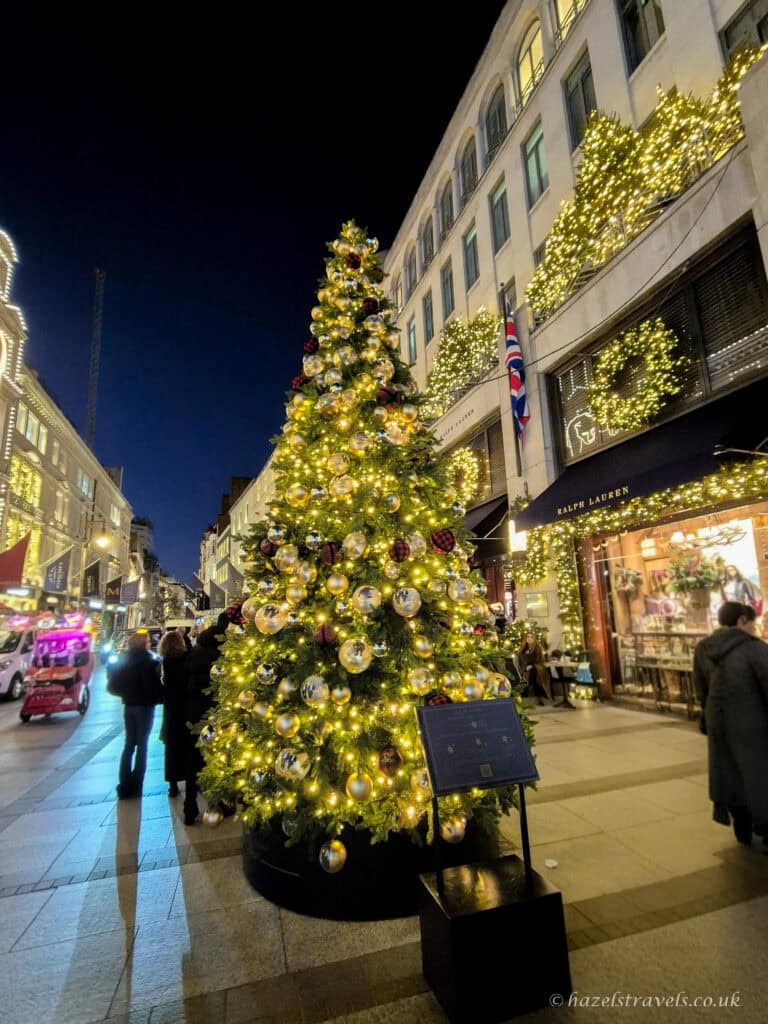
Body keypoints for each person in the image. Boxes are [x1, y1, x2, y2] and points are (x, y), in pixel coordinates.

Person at [693, 601, 768, 847]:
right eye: (752, 624)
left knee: (729, 771)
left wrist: (709, 714)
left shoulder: (704, 648)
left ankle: (742, 824)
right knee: (758, 773)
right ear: (741, 621)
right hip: (752, 723)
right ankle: (764, 826)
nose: (754, 629)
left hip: (718, 721)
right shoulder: (754, 649)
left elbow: (700, 688)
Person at [181, 611, 230, 825]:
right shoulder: (219, 657)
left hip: (193, 711)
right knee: (215, 757)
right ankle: (217, 802)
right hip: (213, 711)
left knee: (193, 760)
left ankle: (189, 806)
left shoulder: (194, 653)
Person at [108, 630, 164, 799]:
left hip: (129, 705)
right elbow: (155, 684)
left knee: (129, 745)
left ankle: (124, 785)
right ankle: (137, 784)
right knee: (142, 745)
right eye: (147, 640)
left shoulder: (124, 658)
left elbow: (114, 681)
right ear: (144, 642)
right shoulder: (150, 660)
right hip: (145, 707)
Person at [159, 629, 188, 798]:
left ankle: (173, 784)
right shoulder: (186, 660)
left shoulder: (165, 663)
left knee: (171, 749)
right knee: (187, 745)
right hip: (185, 707)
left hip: (170, 710)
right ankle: (189, 776)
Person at [518, 632, 551, 705]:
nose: (529, 638)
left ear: (534, 639)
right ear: (526, 639)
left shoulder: (537, 648)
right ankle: (540, 694)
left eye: (531, 637)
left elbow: (540, 660)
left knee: (533, 671)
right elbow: (521, 663)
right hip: (526, 669)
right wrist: (525, 668)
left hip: (538, 667)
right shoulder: (522, 649)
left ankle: (527, 690)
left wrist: (532, 665)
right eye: (528, 637)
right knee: (530, 674)